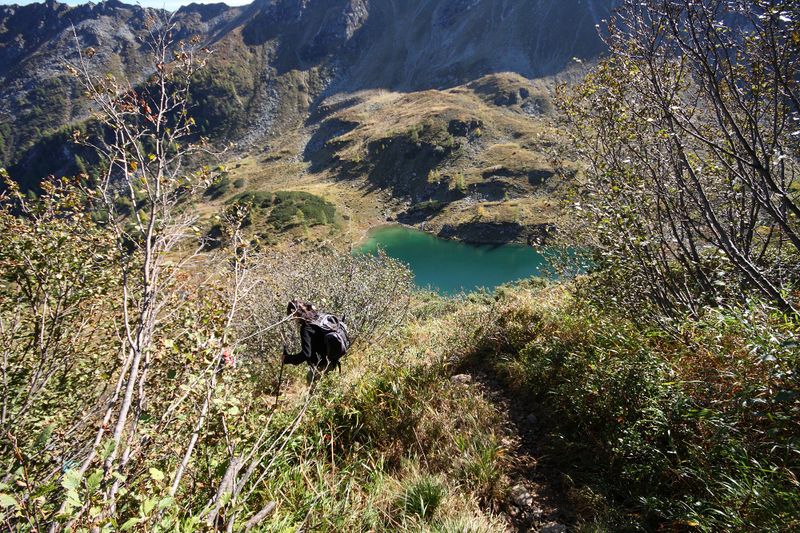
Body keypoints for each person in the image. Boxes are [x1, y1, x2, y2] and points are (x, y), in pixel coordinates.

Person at [282, 299, 349, 374]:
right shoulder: (319, 316)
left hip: (322, 366)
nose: (293, 319)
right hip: (333, 360)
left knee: (310, 380)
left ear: (295, 313)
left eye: (292, 316)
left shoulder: (306, 328)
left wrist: (287, 359)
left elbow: (306, 354)